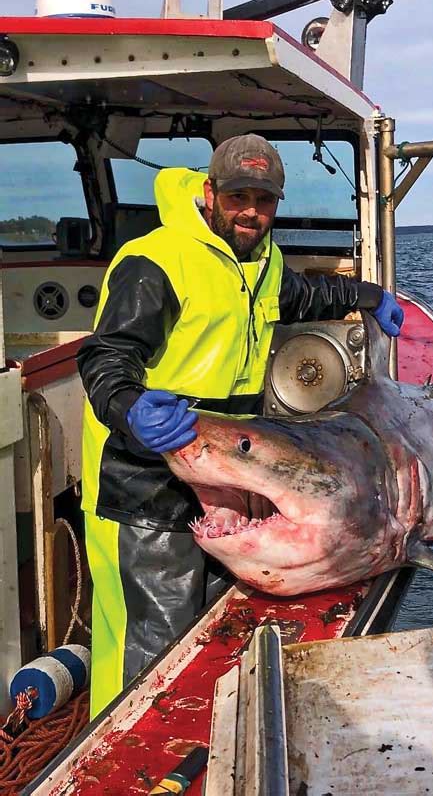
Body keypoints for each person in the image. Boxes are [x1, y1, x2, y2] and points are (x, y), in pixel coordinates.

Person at [77, 133, 404, 717]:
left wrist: (368, 294)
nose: (251, 211)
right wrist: (131, 409)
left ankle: (195, 741)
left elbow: (302, 295)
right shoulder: (157, 259)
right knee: (148, 645)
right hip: (142, 478)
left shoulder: (263, 261)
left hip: (222, 477)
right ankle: (113, 761)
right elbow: (106, 356)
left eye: (264, 199)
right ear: (209, 193)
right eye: (237, 197)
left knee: (201, 630)